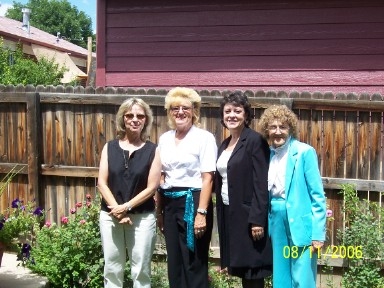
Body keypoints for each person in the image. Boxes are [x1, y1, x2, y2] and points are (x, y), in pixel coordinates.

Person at [155, 87, 217, 288]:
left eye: (185, 108)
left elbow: (208, 178)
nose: (180, 112)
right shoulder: (164, 138)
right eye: (175, 108)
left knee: (194, 261)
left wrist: (201, 213)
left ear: (194, 111)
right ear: (169, 111)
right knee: (175, 261)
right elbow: (162, 176)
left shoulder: (204, 138)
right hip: (170, 202)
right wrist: (160, 212)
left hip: (194, 201)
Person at [258, 104, 326, 288]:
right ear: (267, 129)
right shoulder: (266, 154)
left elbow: (317, 195)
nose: (278, 132)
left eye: (283, 127)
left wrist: (318, 233)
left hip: (300, 221)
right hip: (275, 218)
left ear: (291, 129)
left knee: (302, 275)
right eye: (273, 127)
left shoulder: (304, 152)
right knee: (280, 274)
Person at [97, 98, 162, 288]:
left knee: (141, 270)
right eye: (130, 115)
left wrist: (126, 207)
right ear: (123, 119)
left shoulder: (153, 150)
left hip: (142, 218)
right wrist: (117, 211)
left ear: (146, 120)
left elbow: (151, 188)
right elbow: (101, 182)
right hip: (110, 217)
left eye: (140, 116)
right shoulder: (109, 147)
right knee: (112, 268)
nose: (135, 119)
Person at [215, 92, 272, 288]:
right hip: (230, 214)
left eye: (237, 111)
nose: (232, 115)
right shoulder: (224, 144)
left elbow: (261, 182)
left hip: (249, 216)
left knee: (253, 270)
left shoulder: (255, 141)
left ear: (246, 116)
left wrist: (257, 219)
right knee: (241, 269)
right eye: (227, 111)